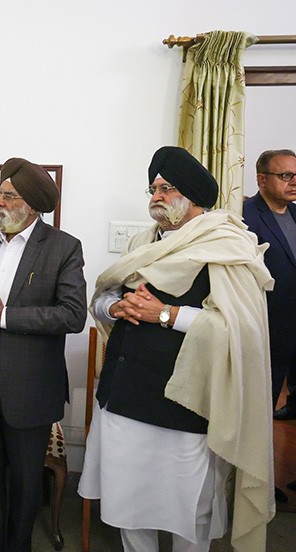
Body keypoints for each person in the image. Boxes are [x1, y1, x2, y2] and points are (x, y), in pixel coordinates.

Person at [78, 146, 274, 552]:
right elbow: (101, 300)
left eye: (166, 188)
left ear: (192, 195)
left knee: (188, 514)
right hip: (124, 397)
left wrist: (166, 314)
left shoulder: (226, 245)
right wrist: (114, 306)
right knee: (128, 507)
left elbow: (241, 332)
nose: (155, 197)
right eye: (152, 188)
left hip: (185, 408)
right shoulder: (141, 241)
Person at [0, 158, 87, 551]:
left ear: (31, 205)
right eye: (0, 194)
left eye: (8, 196)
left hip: (30, 385)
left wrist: (4, 314)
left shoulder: (62, 247)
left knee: (26, 479)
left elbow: (73, 315)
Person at [243, 149, 296, 499]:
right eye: (285, 176)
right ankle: (259, 487)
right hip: (268, 326)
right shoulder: (244, 216)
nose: (293, 183)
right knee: (259, 409)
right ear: (262, 179)